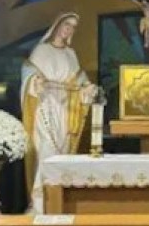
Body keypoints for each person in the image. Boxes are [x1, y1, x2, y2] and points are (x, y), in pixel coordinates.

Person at [21, 12, 96, 210]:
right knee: (46, 150)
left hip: (65, 108)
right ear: (57, 26)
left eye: (72, 27)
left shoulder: (71, 54)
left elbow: (80, 80)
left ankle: (57, 200)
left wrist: (88, 87)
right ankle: (40, 203)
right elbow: (28, 74)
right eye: (66, 25)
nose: (68, 30)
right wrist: (35, 82)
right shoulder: (41, 50)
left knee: (62, 151)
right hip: (45, 106)